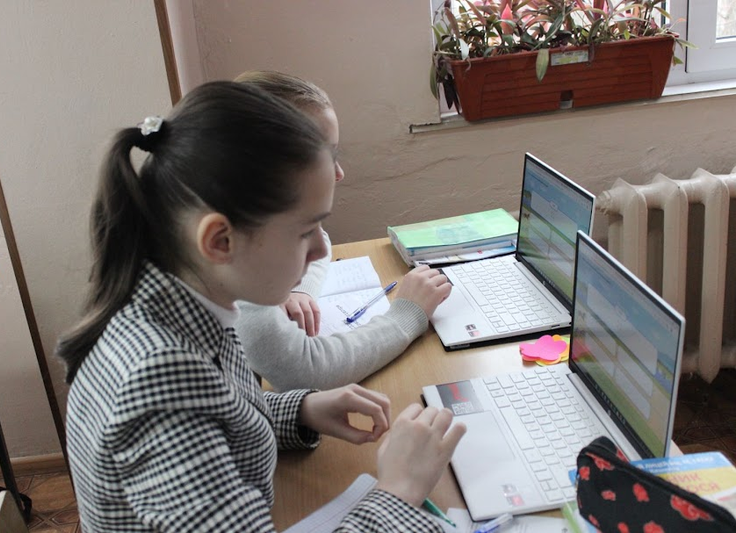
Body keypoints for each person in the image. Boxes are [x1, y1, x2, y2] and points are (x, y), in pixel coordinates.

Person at [55, 81, 465, 532]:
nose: (319, 251)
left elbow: (211, 419)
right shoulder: (160, 375)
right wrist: (399, 492)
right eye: (305, 232)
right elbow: (186, 411)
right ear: (220, 241)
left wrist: (298, 410)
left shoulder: (180, 302)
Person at [234, 70, 452, 391]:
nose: (339, 173)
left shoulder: (248, 227)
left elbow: (319, 238)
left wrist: (300, 289)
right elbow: (308, 372)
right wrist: (406, 314)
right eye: (327, 156)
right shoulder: (240, 282)